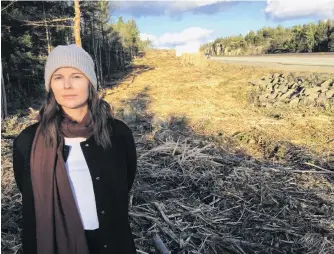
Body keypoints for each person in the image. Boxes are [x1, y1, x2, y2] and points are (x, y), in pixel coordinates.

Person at [12, 44, 138, 254]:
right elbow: (27, 191)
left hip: (111, 242)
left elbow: (125, 181)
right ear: (50, 86)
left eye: (77, 76)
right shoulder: (28, 140)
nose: (67, 85)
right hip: (55, 244)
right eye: (58, 77)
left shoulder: (117, 134)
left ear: (90, 83)